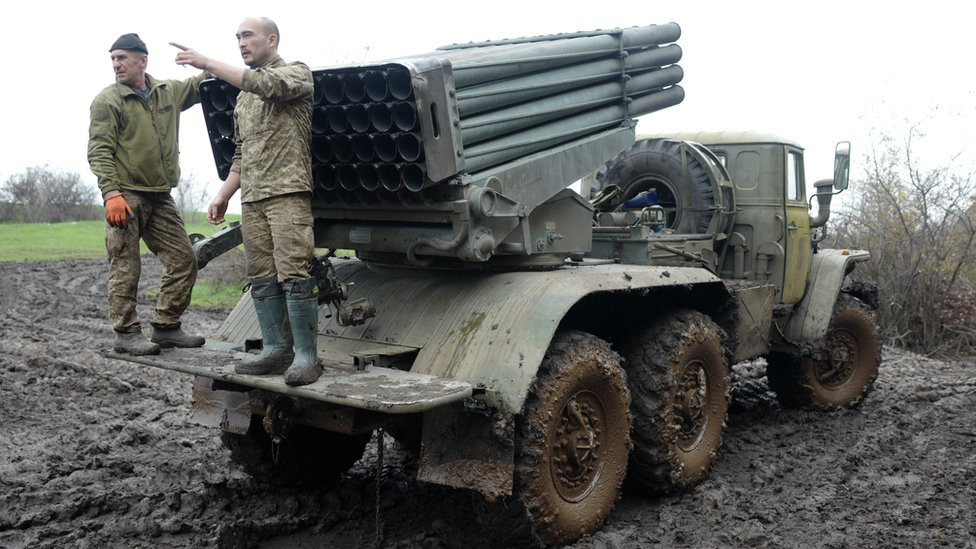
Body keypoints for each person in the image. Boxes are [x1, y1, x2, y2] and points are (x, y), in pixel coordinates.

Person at [172, 17, 321, 386]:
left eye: (248, 36)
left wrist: (206, 64)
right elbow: (242, 152)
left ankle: (306, 356)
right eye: (237, 37)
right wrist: (224, 195)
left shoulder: (296, 74)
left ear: (272, 39)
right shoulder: (243, 99)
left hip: (287, 192)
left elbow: (263, 84)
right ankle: (276, 349)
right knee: (262, 277)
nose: (241, 42)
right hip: (253, 199)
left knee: (294, 274)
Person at [88, 33, 207, 356]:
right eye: (113, 59)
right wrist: (111, 193)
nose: (116, 64)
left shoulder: (167, 92)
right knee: (126, 267)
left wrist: (204, 61)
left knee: (184, 259)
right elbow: (99, 150)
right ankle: (126, 334)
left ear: (143, 60)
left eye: (122, 58)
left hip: (160, 196)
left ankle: (166, 327)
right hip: (126, 197)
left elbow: (201, 85)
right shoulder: (108, 100)